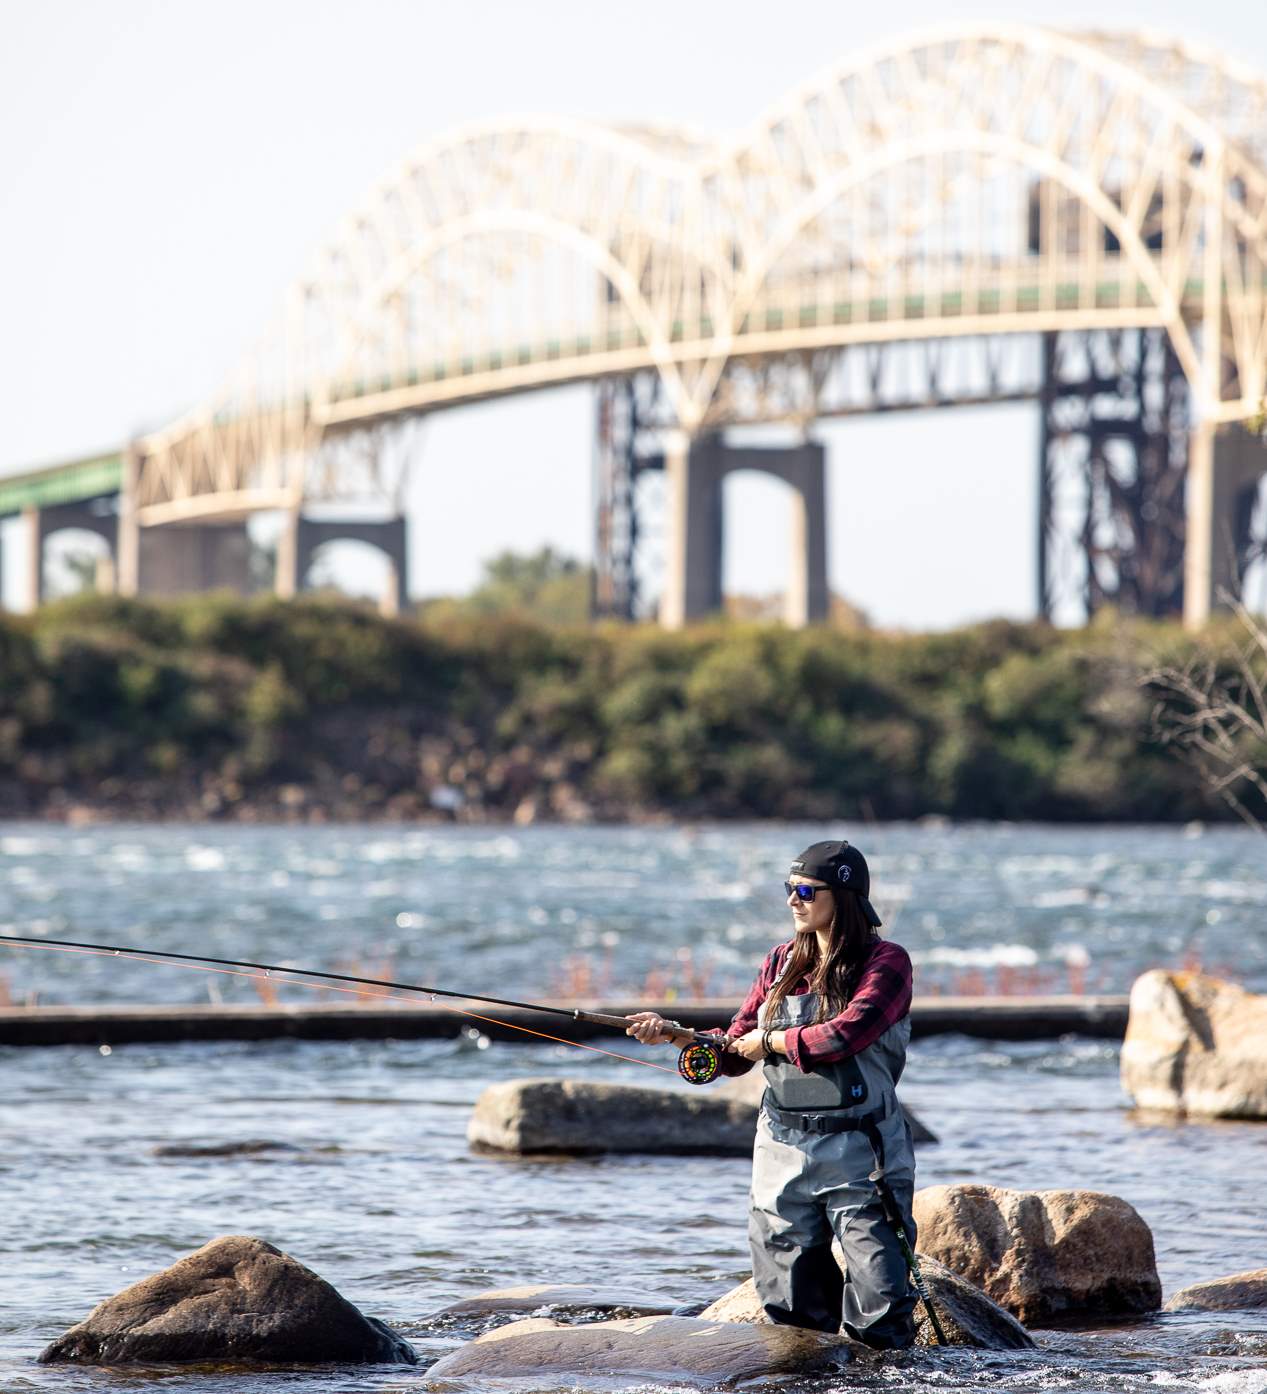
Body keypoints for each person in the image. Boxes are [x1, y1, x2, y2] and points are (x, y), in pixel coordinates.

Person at [627, 839, 918, 1349]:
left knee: (881, 1310)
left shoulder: (886, 962)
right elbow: (734, 1052)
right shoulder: (781, 963)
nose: (792, 900)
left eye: (805, 889)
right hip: (780, 1152)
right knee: (792, 1315)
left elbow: (845, 1034)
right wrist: (677, 1035)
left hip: (862, 1154)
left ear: (845, 895)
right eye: (789, 889)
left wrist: (770, 1040)